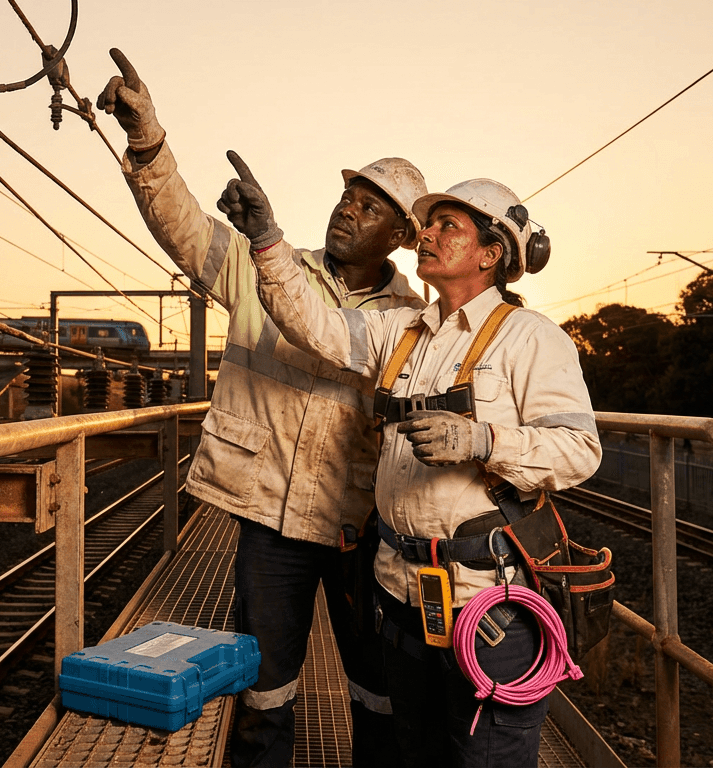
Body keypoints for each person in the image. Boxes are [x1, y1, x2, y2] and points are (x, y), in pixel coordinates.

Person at [97, 49, 427, 767]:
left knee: (378, 694)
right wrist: (147, 140)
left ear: (400, 238)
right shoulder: (262, 266)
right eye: (348, 196)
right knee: (264, 693)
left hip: (360, 528)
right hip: (271, 523)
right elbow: (184, 226)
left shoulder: (413, 321)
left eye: (370, 206)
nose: (348, 209)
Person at [218, 158, 602, 767]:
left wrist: (482, 441)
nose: (427, 234)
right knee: (413, 753)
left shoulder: (530, 338)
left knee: (483, 758)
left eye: (448, 226)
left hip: (486, 604)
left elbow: (580, 449)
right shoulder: (401, 330)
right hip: (403, 596)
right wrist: (267, 241)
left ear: (491, 253)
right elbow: (313, 324)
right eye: (429, 224)